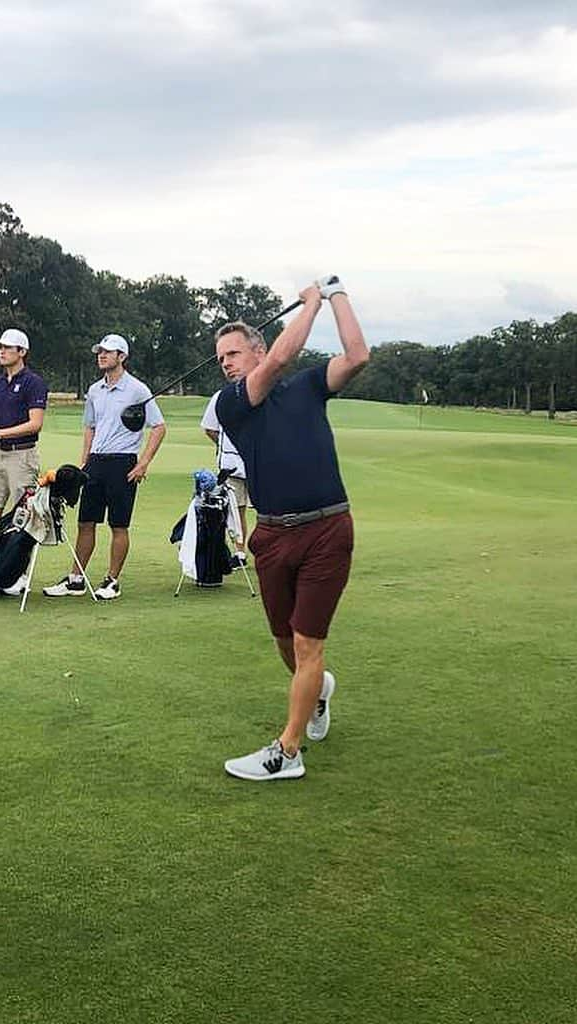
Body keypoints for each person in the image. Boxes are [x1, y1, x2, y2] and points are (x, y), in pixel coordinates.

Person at [216, 276, 368, 781]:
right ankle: (318, 691)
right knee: (285, 641)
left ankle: (288, 750)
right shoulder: (232, 402)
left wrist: (336, 294)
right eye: (222, 359)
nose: (228, 364)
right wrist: (309, 304)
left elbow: (358, 356)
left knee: (307, 643)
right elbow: (281, 359)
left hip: (328, 529)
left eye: (234, 353)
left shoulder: (307, 386)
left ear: (256, 348)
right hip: (273, 535)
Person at [44, 333, 166, 600]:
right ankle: (76, 579)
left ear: (122, 357)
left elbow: (159, 427)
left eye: (108, 352)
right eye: (100, 351)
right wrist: (84, 460)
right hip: (95, 463)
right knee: (86, 522)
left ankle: (112, 581)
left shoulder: (137, 390)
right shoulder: (94, 390)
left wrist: (143, 463)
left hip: (123, 462)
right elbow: (90, 426)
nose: (102, 355)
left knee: (118, 525)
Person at [0, 328, 49, 596]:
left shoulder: (33, 383)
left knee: (22, 518)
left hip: (22, 456)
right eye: (0, 347)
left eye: (8, 347)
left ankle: (20, 576)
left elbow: (34, 423)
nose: (1, 351)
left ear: (22, 352)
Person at [201, 383, 250, 569]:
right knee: (236, 511)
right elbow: (210, 428)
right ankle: (239, 552)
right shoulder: (220, 397)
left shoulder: (265, 393)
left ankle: (270, 552)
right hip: (232, 466)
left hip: (261, 464)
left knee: (268, 512)